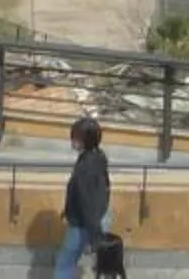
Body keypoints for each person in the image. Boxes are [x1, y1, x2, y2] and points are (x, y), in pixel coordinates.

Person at [60, 114, 113, 277]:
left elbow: (87, 200)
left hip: (83, 223)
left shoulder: (85, 167)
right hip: (96, 216)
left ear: (86, 139)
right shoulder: (98, 156)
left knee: (65, 264)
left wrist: (94, 233)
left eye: (76, 137)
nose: (73, 141)